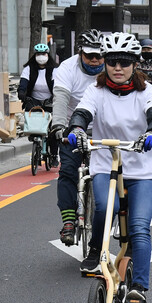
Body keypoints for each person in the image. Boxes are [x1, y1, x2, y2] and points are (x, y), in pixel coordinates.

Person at [65, 33, 152, 303]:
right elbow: (83, 113)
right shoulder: (95, 91)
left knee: (139, 228)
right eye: (112, 62)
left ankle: (139, 287)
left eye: (124, 62)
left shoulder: (148, 91)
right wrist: (76, 128)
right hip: (105, 163)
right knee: (102, 209)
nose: (117, 68)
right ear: (105, 64)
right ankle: (96, 249)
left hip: (142, 169)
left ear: (135, 64)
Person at [51, 28, 104, 246]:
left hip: (102, 127)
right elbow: (61, 98)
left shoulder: (111, 68)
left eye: (98, 55)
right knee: (68, 172)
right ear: (80, 52)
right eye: (89, 55)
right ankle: (69, 221)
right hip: (73, 127)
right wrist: (59, 126)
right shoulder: (67, 68)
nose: (94, 60)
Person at [18, 43, 59, 166]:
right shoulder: (28, 69)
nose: (41, 56)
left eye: (44, 54)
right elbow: (23, 85)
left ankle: (54, 154)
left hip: (50, 100)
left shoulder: (54, 69)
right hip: (34, 100)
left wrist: (54, 98)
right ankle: (35, 140)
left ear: (48, 55)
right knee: (33, 124)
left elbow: (57, 86)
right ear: (35, 55)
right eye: (39, 54)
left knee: (53, 130)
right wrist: (22, 94)